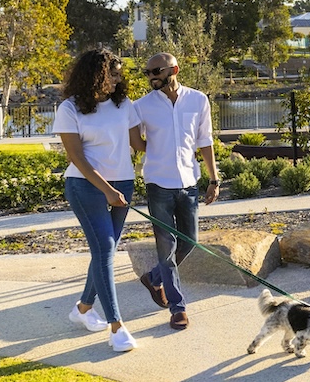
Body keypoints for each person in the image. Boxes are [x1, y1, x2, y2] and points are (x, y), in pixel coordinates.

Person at [54, 46, 141, 353]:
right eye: (112, 75)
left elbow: (139, 144)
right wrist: (107, 190)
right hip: (85, 186)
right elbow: (76, 157)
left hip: (123, 183)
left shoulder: (124, 104)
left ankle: (83, 308)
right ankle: (117, 328)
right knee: (104, 248)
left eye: (119, 75)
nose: (117, 81)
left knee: (106, 250)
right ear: (96, 75)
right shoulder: (70, 108)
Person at [130, 52, 219, 331]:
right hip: (158, 183)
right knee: (166, 248)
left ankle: (153, 277)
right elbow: (135, 141)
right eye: (147, 72)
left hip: (189, 183)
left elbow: (205, 141)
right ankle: (178, 308)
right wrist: (157, 151)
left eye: (156, 71)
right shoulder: (141, 106)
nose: (151, 77)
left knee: (190, 241)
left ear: (174, 70)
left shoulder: (198, 100)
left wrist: (214, 179)